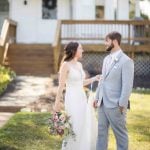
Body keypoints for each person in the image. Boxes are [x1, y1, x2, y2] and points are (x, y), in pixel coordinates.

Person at [53, 42, 99, 150]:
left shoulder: (79, 65)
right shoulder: (65, 65)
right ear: (74, 51)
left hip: (82, 98)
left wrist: (94, 78)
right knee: (75, 125)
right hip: (72, 99)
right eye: (80, 48)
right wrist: (57, 102)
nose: (82, 50)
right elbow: (61, 86)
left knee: (83, 123)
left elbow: (80, 83)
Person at [93, 31, 134, 150]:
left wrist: (122, 104)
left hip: (116, 105)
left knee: (120, 135)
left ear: (114, 41)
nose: (105, 43)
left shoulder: (126, 61)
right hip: (102, 103)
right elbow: (102, 80)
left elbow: (127, 85)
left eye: (107, 41)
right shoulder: (106, 59)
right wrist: (96, 97)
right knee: (101, 134)